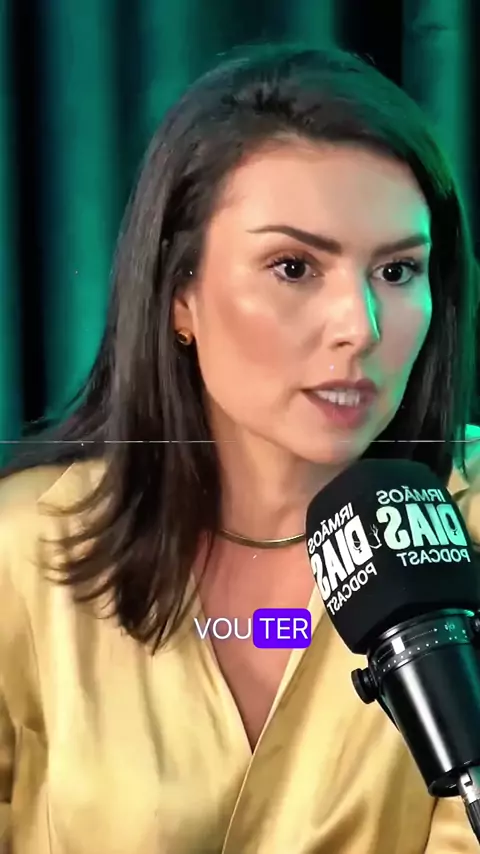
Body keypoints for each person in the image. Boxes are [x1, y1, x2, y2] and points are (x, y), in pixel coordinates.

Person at [1, 41, 480, 854]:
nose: (360, 328)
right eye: (294, 267)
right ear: (180, 294)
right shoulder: (24, 547)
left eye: (399, 271)